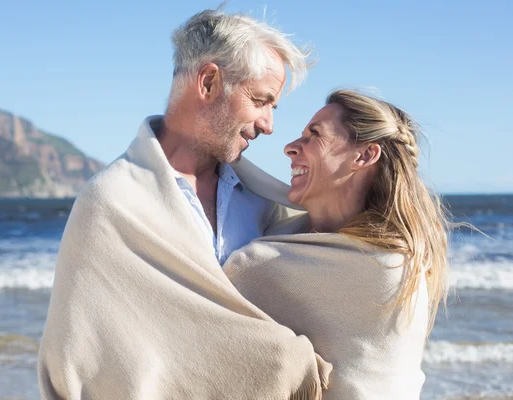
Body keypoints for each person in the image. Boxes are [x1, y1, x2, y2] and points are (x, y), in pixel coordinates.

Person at [37, 8, 331, 400]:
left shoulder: (265, 202)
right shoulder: (110, 203)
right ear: (209, 82)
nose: (268, 125)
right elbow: (76, 363)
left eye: (272, 107)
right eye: (261, 101)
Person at [225, 90, 451, 399]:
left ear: (364, 156)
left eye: (314, 135)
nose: (290, 148)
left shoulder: (384, 265)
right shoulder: (297, 235)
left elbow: (243, 275)